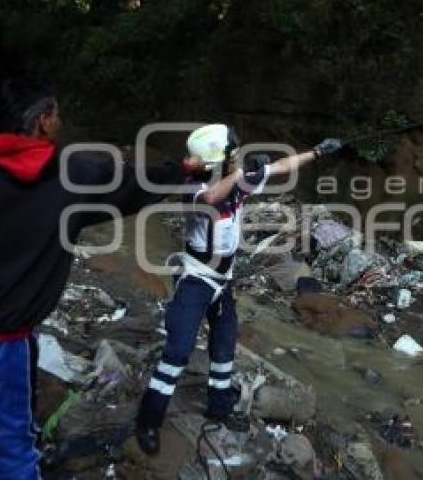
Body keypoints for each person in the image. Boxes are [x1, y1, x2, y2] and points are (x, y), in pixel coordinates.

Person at [0, 78, 206, 479]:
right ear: (43, 121)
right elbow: (134, 183)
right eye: (56, 114)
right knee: (14, 455)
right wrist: (182, 170)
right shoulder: (73, 174)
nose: (60, 121)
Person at [134, 124, 342, 455]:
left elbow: (282, 167)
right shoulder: (194, 186)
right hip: (196, 278)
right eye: (232, 155)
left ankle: (219, 407)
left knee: (224, 343)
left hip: (223, 280)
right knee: (177, 350)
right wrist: (242, 171)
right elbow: (213, 197)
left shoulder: (238, 180)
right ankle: (148, 420)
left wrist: (316, 152)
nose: (238, 159)